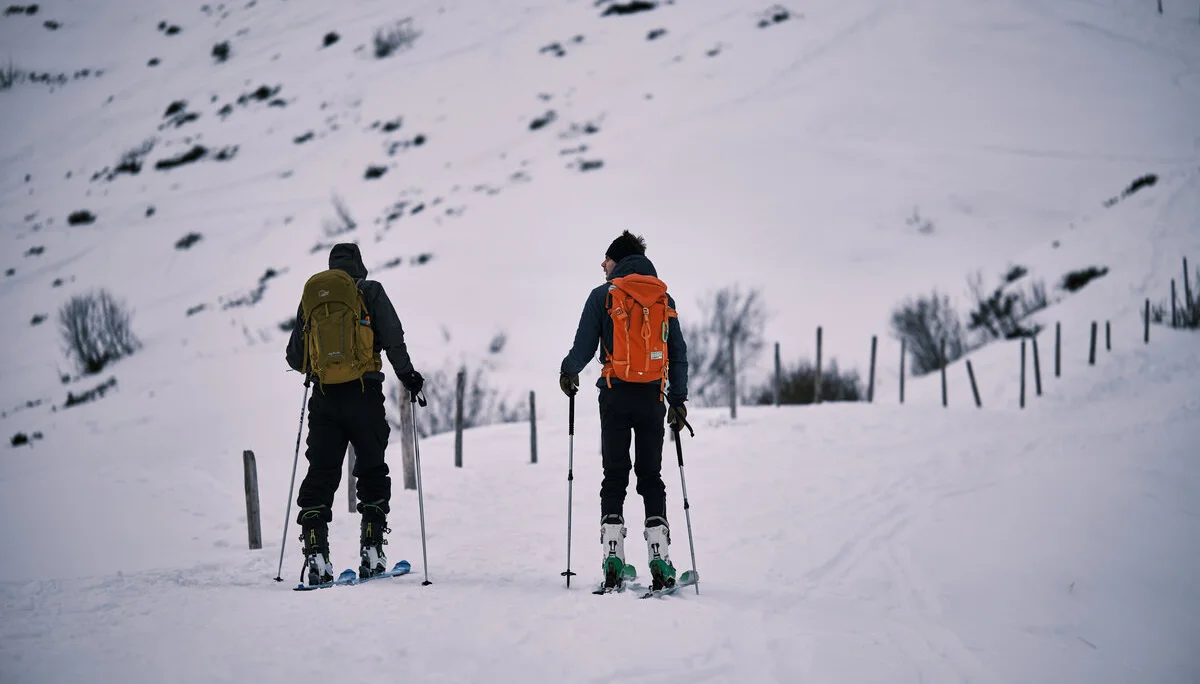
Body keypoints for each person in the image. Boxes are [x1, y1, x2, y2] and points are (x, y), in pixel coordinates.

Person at [285, 243, 425, 586]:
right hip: (365, 395)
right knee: (372, 470)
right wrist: (408, 377)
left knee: (320, 473)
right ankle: (372, 551)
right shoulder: (371, 291)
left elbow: (293, 356)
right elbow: (393, 338)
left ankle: (316, 554)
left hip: (324, 399)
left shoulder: (313, 298)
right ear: (359, 266)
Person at [559, 230, 689, 590]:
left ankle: (613, 555)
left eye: (607, 258)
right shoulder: (663, 296)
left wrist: (568, 371)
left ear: (618, 260)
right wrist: (678, 400)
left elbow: (583, 347)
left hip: (615, 395)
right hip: (652, 397)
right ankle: (660, 558)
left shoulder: (602, 296)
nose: (602, 264)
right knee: (651, 476)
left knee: (614, 474)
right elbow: (678, 352)